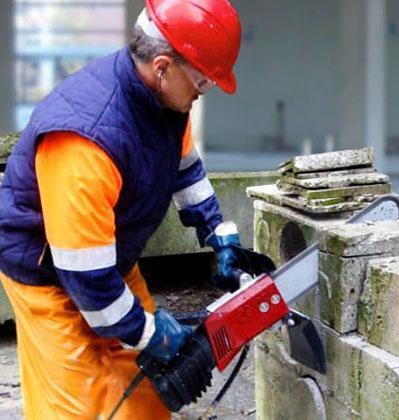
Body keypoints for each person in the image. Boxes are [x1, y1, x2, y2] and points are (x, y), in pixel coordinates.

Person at [0, 0, 243, 418]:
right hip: (49, 274)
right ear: (163, 65)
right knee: (81, 403)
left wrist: (216, 232)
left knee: (149, 386)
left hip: (108, 254)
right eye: (202, 84)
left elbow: (185, 168)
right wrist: (147, 332)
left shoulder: (164, 100)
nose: (202, 95)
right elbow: (86, 280)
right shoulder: (85, 141)